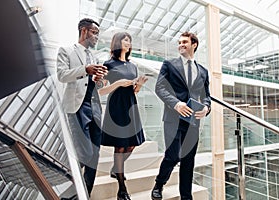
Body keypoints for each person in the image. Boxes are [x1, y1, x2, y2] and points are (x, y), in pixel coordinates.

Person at [151, 32, 211, 200]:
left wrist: (206, 107)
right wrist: (176, 104)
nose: (181, 44)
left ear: (194, 45)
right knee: (172, 155)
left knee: (188, 159)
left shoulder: (203, 71)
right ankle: (159, 183)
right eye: (179, 42)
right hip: (173, 117)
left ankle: (186, 196)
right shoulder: (169, 64)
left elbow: (206, 96)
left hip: (193, 121)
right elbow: (160, 88)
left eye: (185, 42)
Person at [56, 18, 107, 196]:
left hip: (95, 108)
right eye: (94, 32)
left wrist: (99, 80)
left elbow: (97, 85)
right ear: (84, 31)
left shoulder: (95, 57)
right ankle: (71, 191)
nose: (96, 37)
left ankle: (85, 194)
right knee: (84, 153)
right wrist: (85, 69)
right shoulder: (66, 51)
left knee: (95, 155)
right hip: (76, 107)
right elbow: (62, 75)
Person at [98, 32, 148, 200]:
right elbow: (100, 91)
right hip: (116, 106)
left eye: (129, 40)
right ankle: (122, 189)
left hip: (131, 105)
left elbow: (134, 90)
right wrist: (117, 83)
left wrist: (139, 85)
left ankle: (115, 169)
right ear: (117, 42)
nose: (128, 42)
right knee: (119, 147)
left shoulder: (132, 66)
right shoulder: (109, 64)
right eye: (125, 40)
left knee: (132, 145)